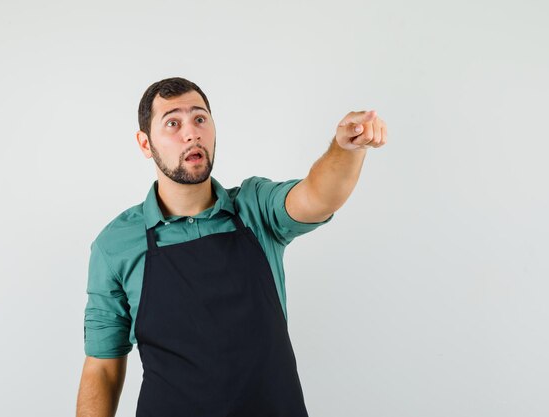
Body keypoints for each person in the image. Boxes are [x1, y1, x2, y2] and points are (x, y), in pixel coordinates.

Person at [76, 77, 388, 417]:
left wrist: (347, 149)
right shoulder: (115, 245)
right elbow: (102, 366)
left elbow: (318, 196)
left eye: (200, 118)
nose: (191, 133)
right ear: (145, 143)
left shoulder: (255, 207)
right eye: (172, 123)